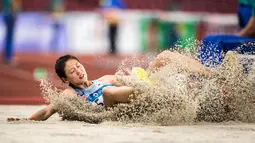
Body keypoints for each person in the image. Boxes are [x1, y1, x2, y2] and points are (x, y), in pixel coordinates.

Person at [7, 50, 209, 121]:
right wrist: (27, 119)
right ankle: (160, 91)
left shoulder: (105, 78)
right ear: (65, 79)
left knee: (164, 57)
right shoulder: (69, 95)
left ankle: (213, 74)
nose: (79, 71)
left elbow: (130, 82)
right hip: (114, 109)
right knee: (109, 91)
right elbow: (48, 110)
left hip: (138, 96)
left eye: (78, 66)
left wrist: (146, 77)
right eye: (72, 72)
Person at [197, 0, 255, 67]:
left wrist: (238, 36)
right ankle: (199, 71)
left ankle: (212, 72)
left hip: (251, 40)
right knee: (207, 39)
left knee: (217, 41)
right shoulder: (243, 2)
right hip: (247, 39)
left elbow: (253, 27)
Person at [2, 0, 21, 65]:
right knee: (9, 37)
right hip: (9, 15)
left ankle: (7, 55)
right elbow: (12, 4)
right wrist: (14, 14)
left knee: (8, 37)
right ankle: (8, 57)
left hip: (7, 14)